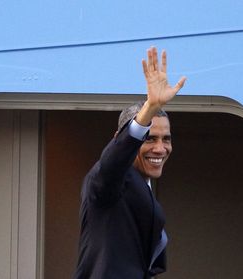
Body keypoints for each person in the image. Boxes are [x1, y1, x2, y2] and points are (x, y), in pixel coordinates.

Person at [74, 46, 186, 279]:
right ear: (121, 140)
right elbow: (112, 164)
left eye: (166, 139)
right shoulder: (108, 182)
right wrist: (149, 109)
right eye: (149, 138)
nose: (160, 148)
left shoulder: (141, 184)